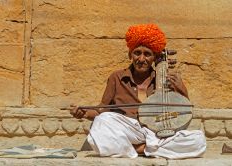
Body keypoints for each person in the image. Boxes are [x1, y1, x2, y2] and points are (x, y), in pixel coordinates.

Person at [70, 23, 206, 159]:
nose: (141, 59)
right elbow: (102, 109)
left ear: (154, 57)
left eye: (147, 54)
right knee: (103, 120)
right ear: (130, 54)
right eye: (137, 53)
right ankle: (150, 149)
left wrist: (181, 88)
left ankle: (137, 149)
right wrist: (84, 113)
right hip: (129, 130)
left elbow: (183, 112)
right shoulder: (117, 77)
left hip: (156, 133)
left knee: (198, 140)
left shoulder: (164, 80)